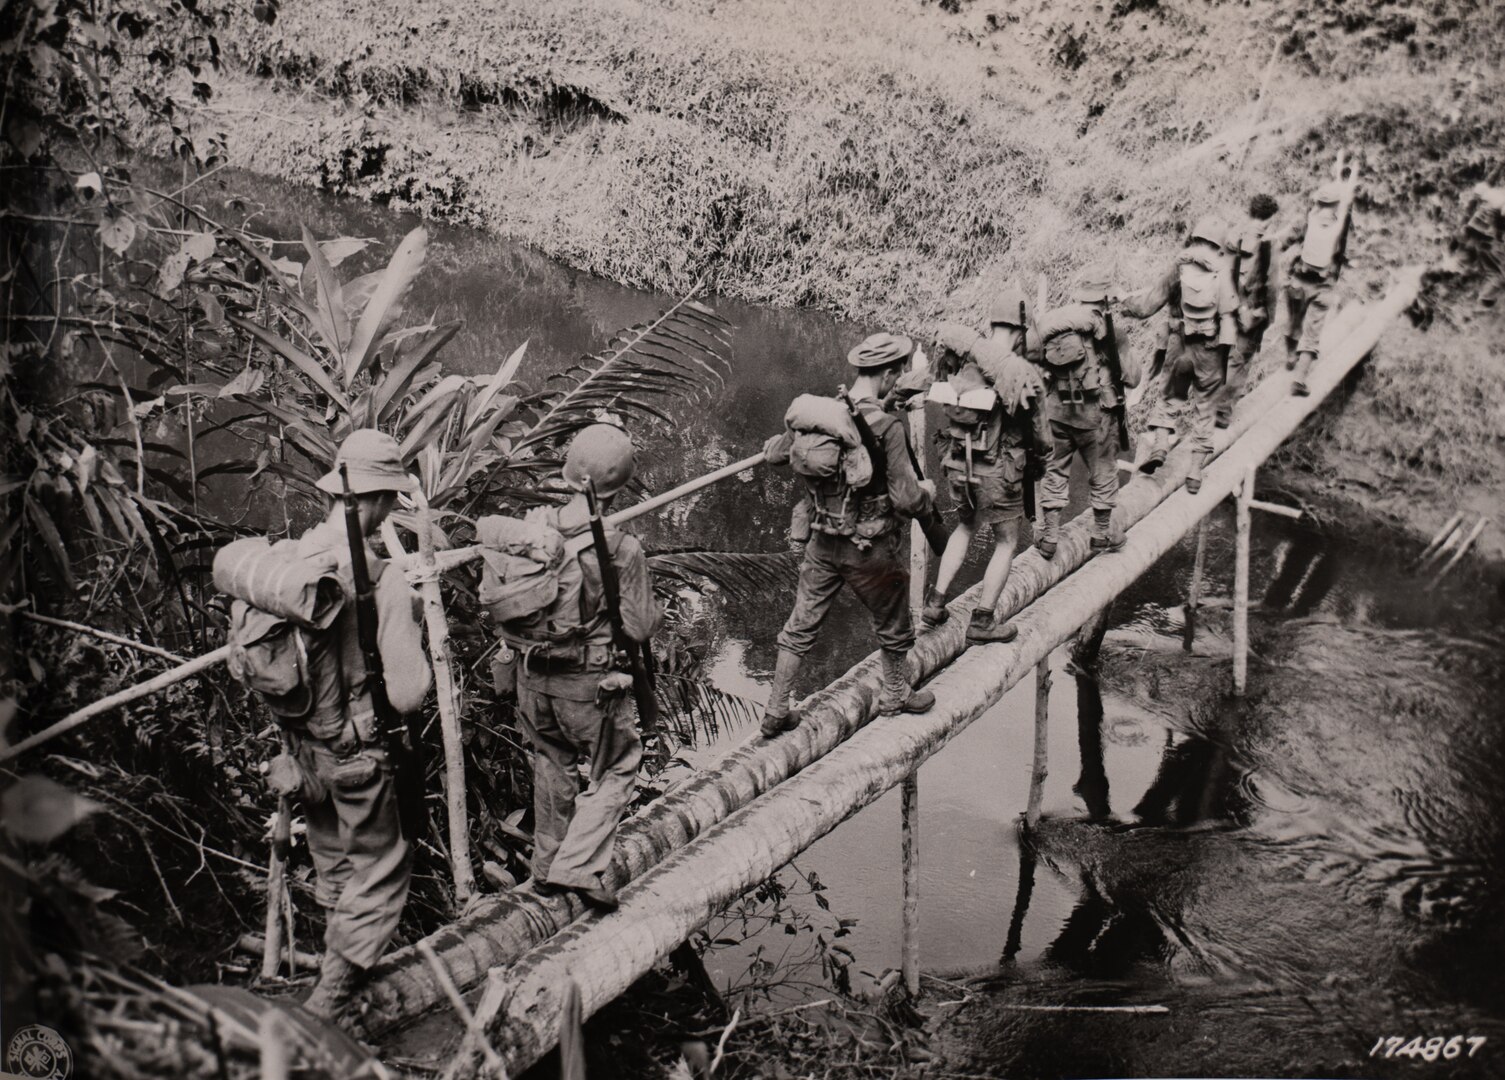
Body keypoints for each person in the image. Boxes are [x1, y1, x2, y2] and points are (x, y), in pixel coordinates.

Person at [218, 429, 432, 1022]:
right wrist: (408, 609)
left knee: (336, 862)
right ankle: (327, 1002)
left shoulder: (289, 564)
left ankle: (337, 979)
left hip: (304, 750)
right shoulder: (381, 577)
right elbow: (410, 695)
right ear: (379, 499)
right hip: (359, 756)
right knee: (383, 873)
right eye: (390, 497)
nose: (392, 507)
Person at [487, 424, 663, 912]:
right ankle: (578, 868)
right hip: (586, 683)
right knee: (619, 766)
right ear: (618, 486)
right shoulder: (618, 547)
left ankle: (545, 871)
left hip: (530, 678)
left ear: (567, 477)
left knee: (551, 764)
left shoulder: (529, 533)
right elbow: (641, 625)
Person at [760, 333, 938, 736]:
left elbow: (774, 455)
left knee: (800, 625)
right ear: (890, 375)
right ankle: (895, 693)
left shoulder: (822, 415)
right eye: (898, 374)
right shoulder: (888, 427)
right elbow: (906, 499)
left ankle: (775, 710)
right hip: (870, 548)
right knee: (893, 620)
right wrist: (927, 495)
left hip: (822, 542)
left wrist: (777, 441)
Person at [920, 319, 1050, 644]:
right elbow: (1042, 436)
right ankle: (982, 621)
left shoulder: (964, 360)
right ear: (1020, 330)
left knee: (965, 527)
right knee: (1006, 541)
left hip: (959, 466)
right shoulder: (1014, 370)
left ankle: (934, 605)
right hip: (997, 472)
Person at [1121, 216, 1239, 492]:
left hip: (1179, 344)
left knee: (1168, 398)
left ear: (1194, 237)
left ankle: (1161, 445)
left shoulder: (1179, 265)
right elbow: (1230, 320)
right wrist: (1223, 359)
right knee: (1205, 408)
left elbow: (1147, 305)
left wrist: (1125, 302)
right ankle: (1195, 473)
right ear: (1219, 244)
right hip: (1209, 349)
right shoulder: (1222, 270)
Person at [1033, 265, 1143, 556]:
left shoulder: (1057, 329)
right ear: (1106, 300)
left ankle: (1050, 537)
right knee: (1103, 470)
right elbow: (1132, 377)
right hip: (1096, 417)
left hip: (1056, 412)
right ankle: (1101, 535)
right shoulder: (1112, 334)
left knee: (1055, 469)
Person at [1283, 176, 1356, 396]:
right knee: (1313, 333)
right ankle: (1299, 379)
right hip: (1323, 285)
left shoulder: (1311, 218)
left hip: (1298, 280)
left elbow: (1315, 208)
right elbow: (1343, 208)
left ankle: (1289, 356)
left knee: (1294, 320)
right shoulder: (1337, 226)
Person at [1220, 193, 1281, 428]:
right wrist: (1268, 318)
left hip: (1227, 306)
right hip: (1250, 312)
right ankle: (1222, 413)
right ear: (1269, 218)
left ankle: (1206, 406)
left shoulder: (1233, 234)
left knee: (1222, 354)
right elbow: (1273, 286)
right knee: (1240, 360)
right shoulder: (1268, 243)